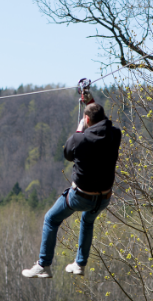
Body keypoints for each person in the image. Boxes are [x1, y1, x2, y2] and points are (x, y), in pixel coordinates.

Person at [22, 102, 121, 278]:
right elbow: (106, 125)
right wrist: (92, 106)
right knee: (87, 221)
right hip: (103, 197)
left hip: (80, 196)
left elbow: (68, 154)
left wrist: (79, 129)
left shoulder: (79, 139)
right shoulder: (115, 135)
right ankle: (80, 264)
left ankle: (43, 265)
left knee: (51, 219)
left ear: (87, 119)